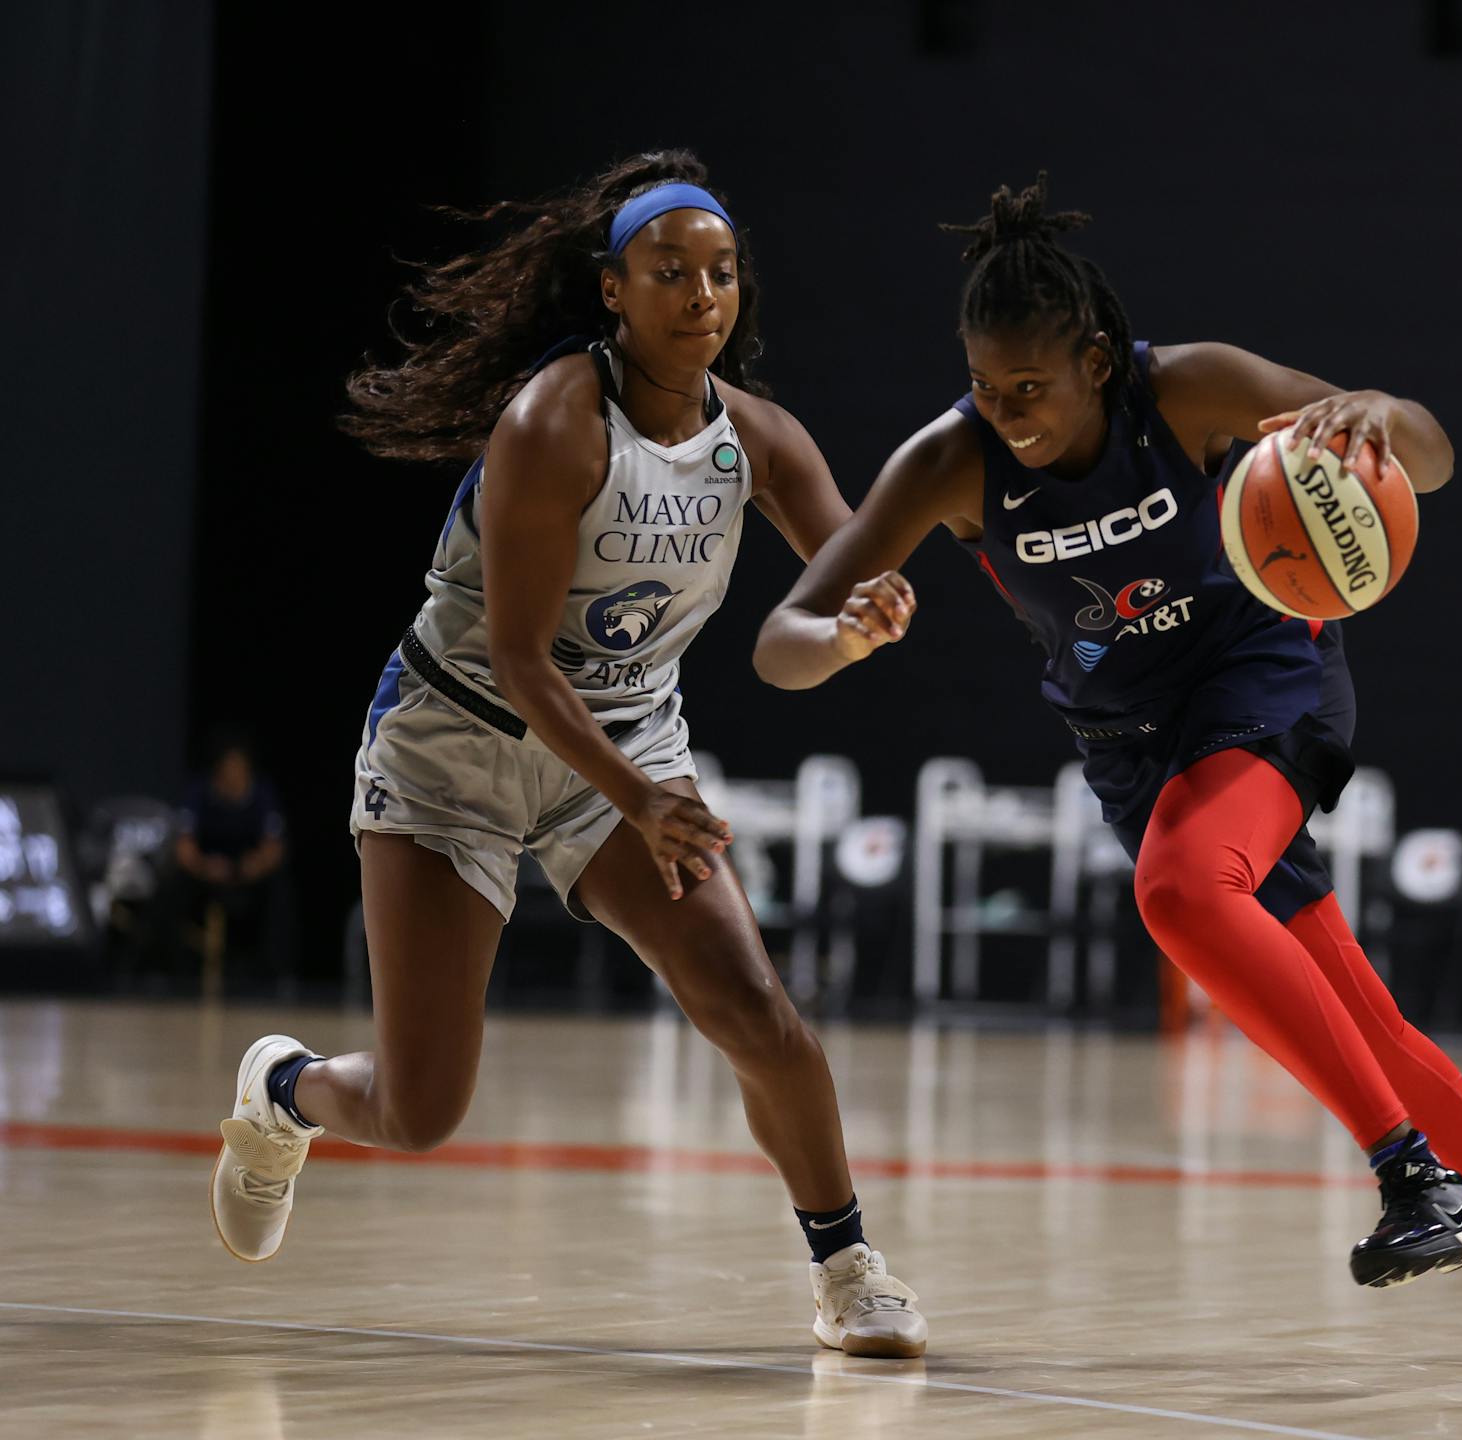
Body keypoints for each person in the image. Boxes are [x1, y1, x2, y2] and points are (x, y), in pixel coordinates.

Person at [754, 175, 1462, 1367]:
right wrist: (842, 638)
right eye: (985, 386)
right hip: (1134, 750)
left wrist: (1378, 412)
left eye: (1030, 388)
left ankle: (1413, 1177)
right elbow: (780, 643)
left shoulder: (1187, 388)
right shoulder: (948, 463)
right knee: (1362, 1022)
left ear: (1095, 360)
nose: (1006, 413)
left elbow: (1429, 458)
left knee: (1179, 893)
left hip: (1267, 680)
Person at [207, 151, 928, 1359]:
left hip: (626, 745)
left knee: (757, 1012)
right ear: (611, 290)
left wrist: (860, 622)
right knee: (421, 1110)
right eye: (671, 272)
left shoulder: (759, 440)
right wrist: (641, 799)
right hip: (456, 745)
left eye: (722, 273)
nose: (702, 295)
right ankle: (283, 1090)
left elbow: (825, 599)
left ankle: (848, 1269)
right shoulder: (554, 423)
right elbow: (523, 659)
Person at [171, 733, 288, 980]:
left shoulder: (262, 793)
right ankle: (171, 970)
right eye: (229, 769)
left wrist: (256, 864)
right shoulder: (200, 792)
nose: (234, 775)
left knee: (280, 889)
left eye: (240, 768)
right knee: (173, 884)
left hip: (246, 874)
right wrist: (204, 866)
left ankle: (273, 974)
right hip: (208, 873)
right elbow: (184, 846)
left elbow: (274, 847)